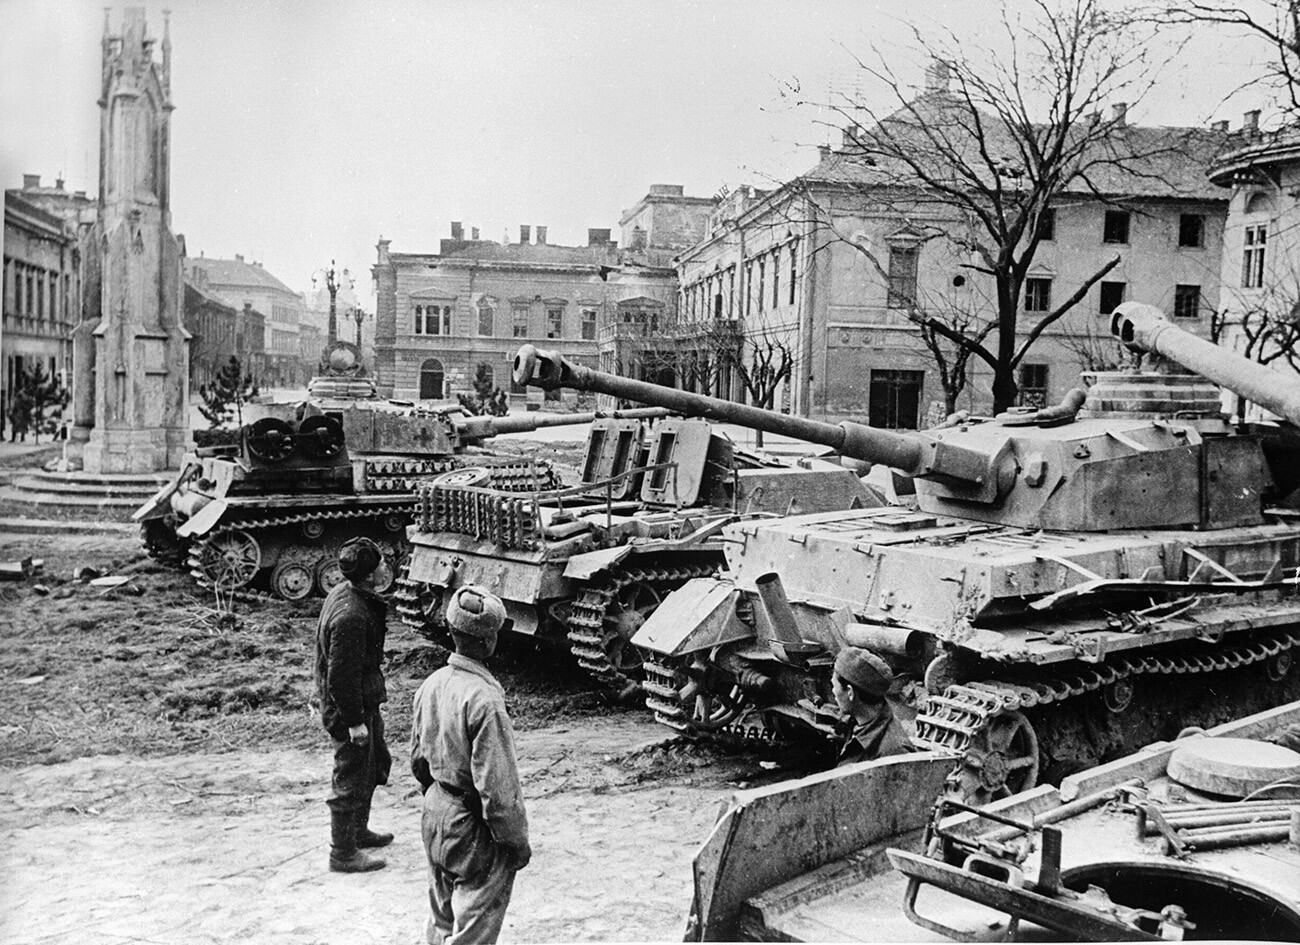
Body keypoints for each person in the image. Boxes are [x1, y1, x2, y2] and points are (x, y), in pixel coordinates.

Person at [410, 584, 530, 945]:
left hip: (435, 812)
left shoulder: (430, 685)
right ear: (489, 641)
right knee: (474, 930)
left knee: (441, 918)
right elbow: (498, 788)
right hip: (473, 827)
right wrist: (516, 842)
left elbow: (418, 760)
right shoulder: (485, 699)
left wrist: (439, 799)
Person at [314, 536, 393, 873]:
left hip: (361, 701)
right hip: (349, 706)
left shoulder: (347, 595)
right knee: (351, 775)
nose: (387, 567)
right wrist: (354, 722)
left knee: (373, 764)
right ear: (371, 576)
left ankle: (358, 832)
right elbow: (341, 678)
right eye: (381, 564)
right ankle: (342, 853)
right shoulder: (352, 616)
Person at [831, 646, 911, 766]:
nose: (833, 691)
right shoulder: (857, 721)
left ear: (850, 692)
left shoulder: (895, 755)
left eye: (834, 686)